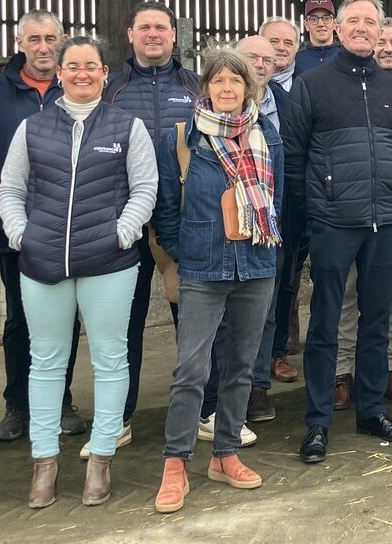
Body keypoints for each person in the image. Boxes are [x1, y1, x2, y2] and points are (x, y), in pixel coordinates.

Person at [0, 36, 157, 509]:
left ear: (105, 73)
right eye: (73, 65)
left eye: (91, 65)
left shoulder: (128, 127)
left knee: (110, 358)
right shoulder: (32, 128)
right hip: (43, 262)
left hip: (108, 262)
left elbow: (145, 188)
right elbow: (10, 188)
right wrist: (22, 234)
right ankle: (43, 461)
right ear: (59, 73)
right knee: (45, 361)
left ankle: (101, 458)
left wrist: (121, 234)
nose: (81, 73)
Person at [283, 0, 392, 464]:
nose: (362, 27)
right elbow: (294, 156)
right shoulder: (312, 84)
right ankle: (318, 421)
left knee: (377, 321)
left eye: (370, 21)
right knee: (324, 322)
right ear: (337, 30)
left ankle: (371, 411)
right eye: (353, 20)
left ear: (381, 31)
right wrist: (317, 208)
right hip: (333, 222)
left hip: (386, 222)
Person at [151, 48, 284, 513]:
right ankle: (175, 464)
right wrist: (186, 253)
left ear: (249, 88)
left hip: (256, 265)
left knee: (241, 366)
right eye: (218, 80)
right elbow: (166, 208)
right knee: (191, 370)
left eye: (236, 81)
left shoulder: (266, 134)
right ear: (204, 87)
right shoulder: (184, 139)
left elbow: (277, 198)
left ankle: (225, 453)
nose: (227, 89)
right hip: (202, 269)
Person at [0, 10, 86, 442]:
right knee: (20, 320)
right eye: (35, 39)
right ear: (19, 42)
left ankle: (60, 401)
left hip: (70, 231)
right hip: (17, 231)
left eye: (52, 39)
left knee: (66, 319)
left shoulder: (78, 88)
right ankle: (18, 405)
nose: (44, 48)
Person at [99, 1, 200, 455]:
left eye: (162, 27)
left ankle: (201, 412)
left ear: (174, 35)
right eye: (145, 27)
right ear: (131, 34)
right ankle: (118, 419)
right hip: (127, 221)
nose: (154, 34)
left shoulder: (195, 86)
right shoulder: (112, 89)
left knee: (192, 322)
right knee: (126, 323)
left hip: (181, 219)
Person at [331, 16, 392, 411]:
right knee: (347, 296)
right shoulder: (335, 84)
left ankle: (388, 369)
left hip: (390, 211)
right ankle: (342, 372)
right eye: (382, 41)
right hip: (345, 213)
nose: (387, 48)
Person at [235, 34, 298, 425]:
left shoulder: (290, 104)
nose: (260, 64)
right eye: (251, 57)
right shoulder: (213, 105)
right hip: (224, 226)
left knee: (265, 309)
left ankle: (257, 387)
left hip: (274, 224)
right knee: (224, 315)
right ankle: (224, 389)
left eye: (267, 59)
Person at [260, 15, 306, 370]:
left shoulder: (304, 89)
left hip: (292, 197)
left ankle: (276, 353)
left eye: (287, 42)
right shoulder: (233, 90)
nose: (279, 49)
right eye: (272, 42)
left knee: (286, 277)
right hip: (248, 202)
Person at [294, 0, 340, 74]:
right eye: (313, 19)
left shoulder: (347, 56)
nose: (321, 24)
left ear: (334, 23)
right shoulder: (295, 61)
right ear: (306, 25)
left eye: (326, 18)